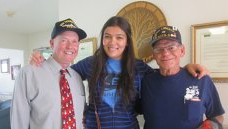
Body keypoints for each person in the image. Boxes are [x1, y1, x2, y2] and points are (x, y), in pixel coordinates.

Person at [29, 16, 208, 129]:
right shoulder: (91, 64)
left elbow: (166, 73)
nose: (112, 42)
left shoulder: (138, 67)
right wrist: (42, 59)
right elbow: (61, 74)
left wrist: (188, 68)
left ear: (127, 41)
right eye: (107, 36)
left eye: (119, 37)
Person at [141, 26, 225, 129]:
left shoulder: (201, 80)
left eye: (171, 47)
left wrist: (211, 125)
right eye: (159, 49)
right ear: (154, 54)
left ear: (182, 50)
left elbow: (217, 115)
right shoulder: (144, 81)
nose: (165, 53)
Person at [10, 18, 87, 129]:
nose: (70, 46)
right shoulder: (29, 74)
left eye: (75, 41)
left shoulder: (77, 78)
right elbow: (18, 123)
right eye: (64, 40)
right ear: (51, 43)